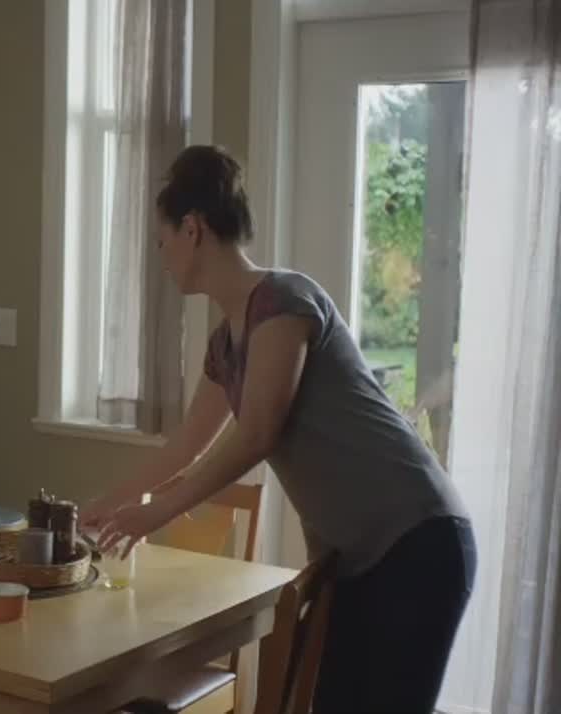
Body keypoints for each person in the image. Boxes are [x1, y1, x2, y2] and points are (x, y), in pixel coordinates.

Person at [81, 145, 476, 713]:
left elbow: (257, 434)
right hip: (359, 560)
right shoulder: (225, 345)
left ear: (192, 229)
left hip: (419, 540)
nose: (160, 255)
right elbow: (185, 447)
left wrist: (156, 513)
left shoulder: (284, 302)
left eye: (162, 238)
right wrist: (107, 505)